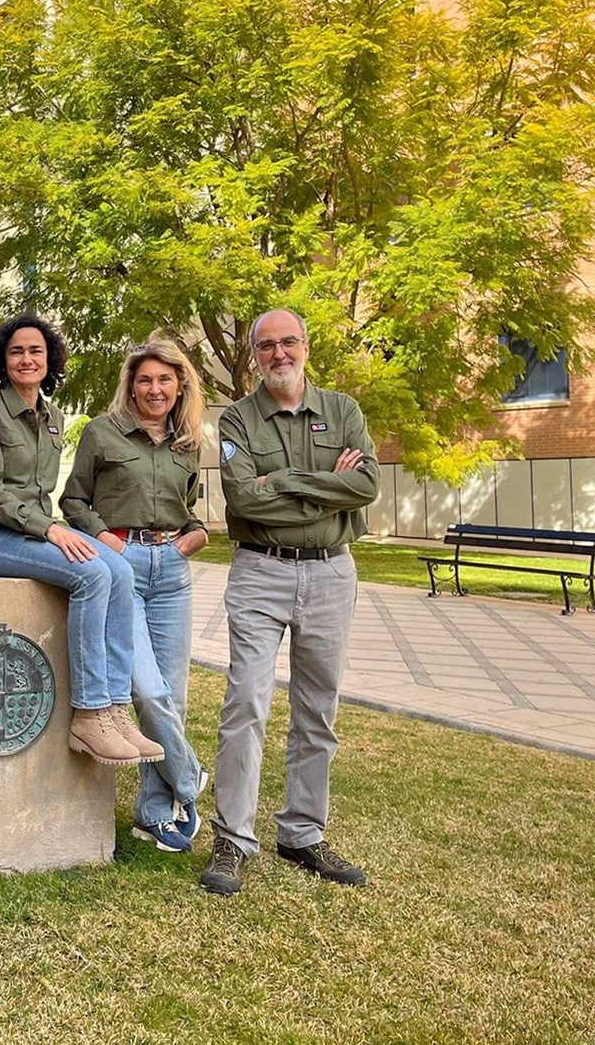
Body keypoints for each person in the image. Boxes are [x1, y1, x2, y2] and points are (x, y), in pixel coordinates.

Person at [199, 308, 379, 897]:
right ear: (255, 355)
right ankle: (234, 839)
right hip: (260, 572)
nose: (279, 354)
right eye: (267, 345)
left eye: (289, 342)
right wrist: (324, 484)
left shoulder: (343, 410)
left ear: (306, 346)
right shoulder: (238, 421)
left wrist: (283, 482)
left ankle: (302, 833)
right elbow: (243, 501)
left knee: (317, 709)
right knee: (246, 702)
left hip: (331, 574)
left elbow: (367, 485)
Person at [0, 314, 161, 766]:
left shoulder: (53, 418)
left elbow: (43, 493)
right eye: (16, 351)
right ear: (1, 361)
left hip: (29, 531)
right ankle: (88, 715)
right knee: (90, 576)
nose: (27, 359)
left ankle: (116, 709)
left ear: (50, 360)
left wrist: (51, 529)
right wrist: (49, 529)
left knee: (120, 571)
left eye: (36, 351)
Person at [61, 337, 211, 853]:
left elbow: (187, 507)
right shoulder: (103, 433)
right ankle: (190, 780)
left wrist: (197, 535)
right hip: (121, 565)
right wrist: (107, 540)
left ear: (179, 386)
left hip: (171, 569)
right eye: (145, 379)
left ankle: (154, 814)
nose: (154, 389)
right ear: (130, 385)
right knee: (145, 691)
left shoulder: (188, 443)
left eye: (165, 380)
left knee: (173, 695)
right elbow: (73, 500)